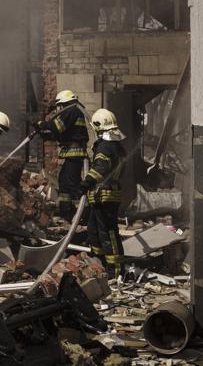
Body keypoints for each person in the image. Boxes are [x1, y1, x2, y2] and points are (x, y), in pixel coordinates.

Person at [82, 108, 127, 277]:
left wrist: (86, 182)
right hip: (101, 196)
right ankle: (99, 262)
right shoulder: (115, 145)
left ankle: (115, 270)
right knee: (94, 231)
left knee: (108, 233)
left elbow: (100, 167)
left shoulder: (105, 147)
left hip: (105, 196)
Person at [37, 90, 91, 221]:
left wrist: (44, 124)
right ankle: (65, 212)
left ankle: (82, 215)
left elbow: (56, 126)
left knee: (73, 184)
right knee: (64, 182)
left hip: (75, 153)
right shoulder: (71, 113)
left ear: (63, 104)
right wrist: (45, 133)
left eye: (59, 106)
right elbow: (59, 132)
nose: (58, 109)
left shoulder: (72, 111)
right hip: (70, 154)